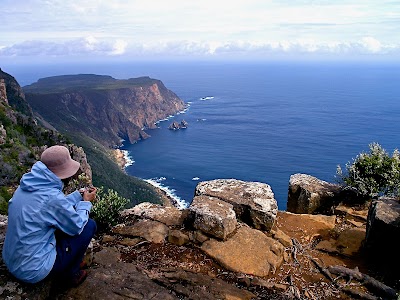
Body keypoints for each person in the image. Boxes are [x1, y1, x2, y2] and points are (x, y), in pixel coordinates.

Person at [2, 145, 97, 286]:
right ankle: (70, 274)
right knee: (89, 226)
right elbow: (76, 226)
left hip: (13, 261)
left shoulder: (26, 187)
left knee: (60, 227)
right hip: (33, 270)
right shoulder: (52, 198)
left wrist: (78, 195)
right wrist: (86, 203)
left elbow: (53, 207)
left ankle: (67, 259)